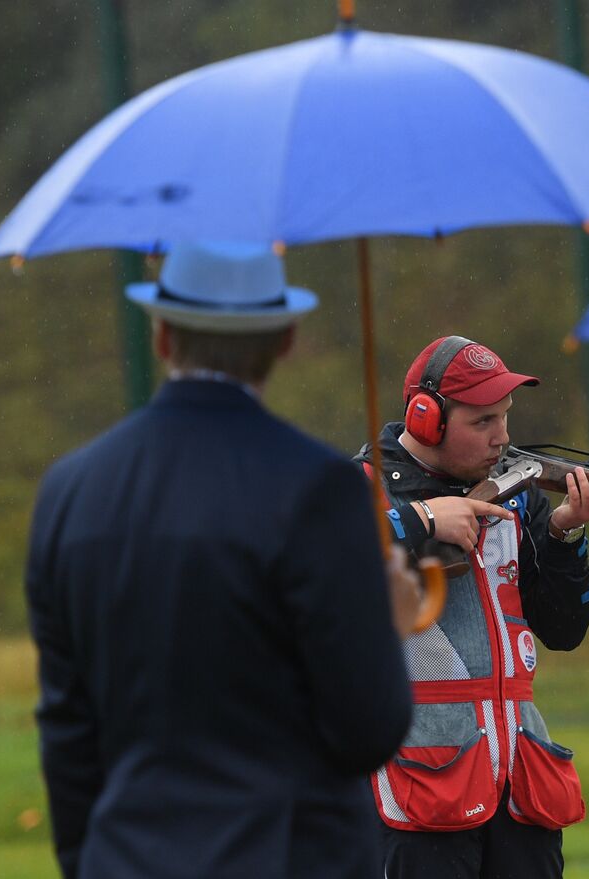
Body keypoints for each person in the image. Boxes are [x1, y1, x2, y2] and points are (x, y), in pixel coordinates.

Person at [25, 240, 420, 879]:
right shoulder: (320, 488)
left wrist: (90, 860)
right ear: (287, 338)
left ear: (161, 336)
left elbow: (69, 731)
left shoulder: (71, 489)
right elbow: (367, 729)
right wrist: (387, 624)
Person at [358, 334, 589, 879]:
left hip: (521, 790)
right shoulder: (363, 489)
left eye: (505, 416)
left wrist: (564, 531)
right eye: (482, 421)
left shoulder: (516, 493)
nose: (502, 437)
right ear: (425, 418)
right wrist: (422, 522)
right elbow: (319, 569)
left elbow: (563, 629)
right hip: (417, 792)